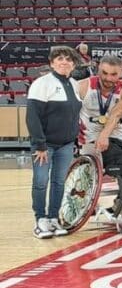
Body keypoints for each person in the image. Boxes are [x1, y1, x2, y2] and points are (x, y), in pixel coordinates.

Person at [76, 56, 122, 220]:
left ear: (121, 72)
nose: (108, 78)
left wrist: (104, 135)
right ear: (98, 69)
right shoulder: (82, 86)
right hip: (90, 140)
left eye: (113, 74)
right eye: (104, 73)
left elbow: (116, 113)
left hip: (117, 138)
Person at [26, 46, 82, 239]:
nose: (64, 62)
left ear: (74, 64)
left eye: (68, 59)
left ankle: (53, 218)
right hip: (45, 146)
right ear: (52, 63)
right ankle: (40, 219)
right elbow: (33, 117)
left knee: (59, 183)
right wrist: (40, 144)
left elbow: (74, 115)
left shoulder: (74, 84)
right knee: (41, 182)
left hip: (66, 145)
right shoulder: (42, 83)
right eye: (59, 58)